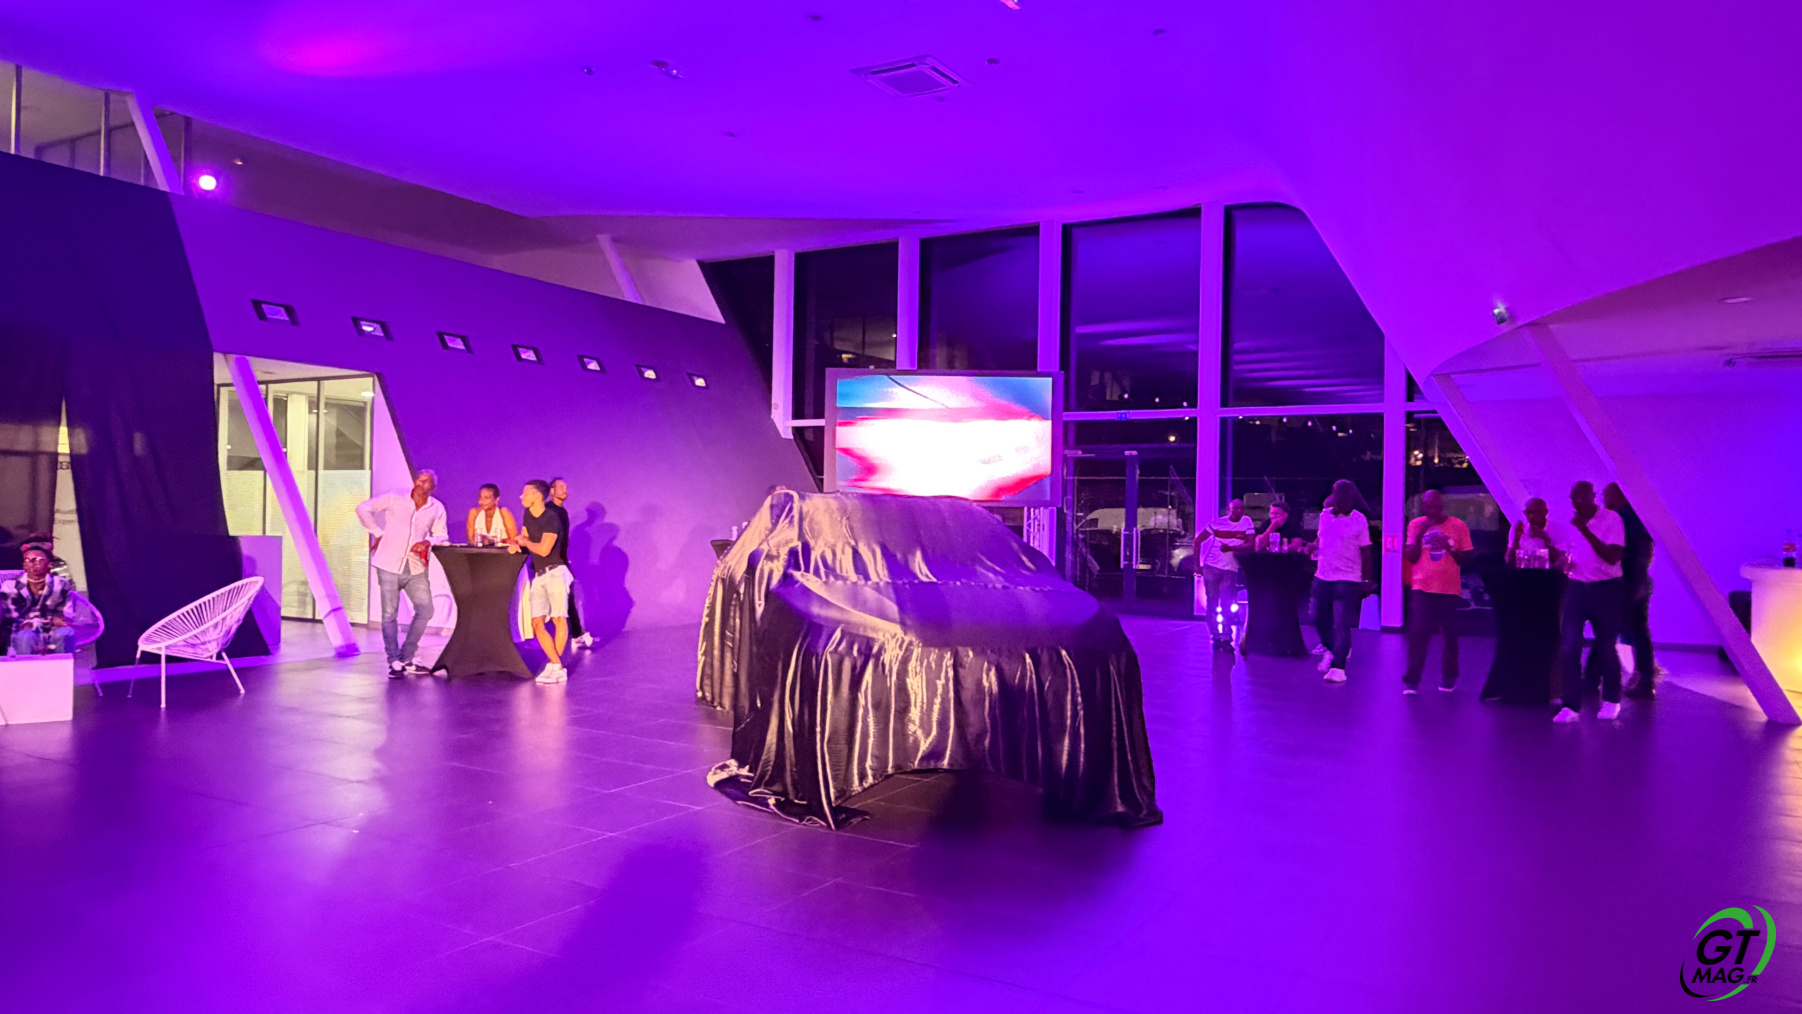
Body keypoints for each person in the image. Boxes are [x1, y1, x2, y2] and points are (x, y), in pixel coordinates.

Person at [356, 469, 449, 678]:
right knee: (389, 614)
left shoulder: (436, 508)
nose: (421, 483)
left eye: (427, 481)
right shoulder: (395, 497)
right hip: (388, 564)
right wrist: (378, 533)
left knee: (425, 610)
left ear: (432, 487)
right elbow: (363, 508)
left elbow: (442, 535)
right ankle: (394, 661)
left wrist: (428, 541)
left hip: (415, 567)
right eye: (419, 479)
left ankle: (407, 656)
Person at [1550, 480, 1627, 724]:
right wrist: (1564, 561)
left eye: (1583, 499)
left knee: (1605, 646)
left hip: (1606, 589)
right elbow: (1568, 551)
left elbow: (1612, 557)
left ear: (1593, 497)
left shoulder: (1611, 519)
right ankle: (1570, 704)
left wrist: (1585, 530)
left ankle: (1611, 700)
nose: (1578, 504)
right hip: (1577, 587)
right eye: (1574, 500)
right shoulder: (1572, 523)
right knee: (1570, 646)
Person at [1402, 491, 1475, 694]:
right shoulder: (1416, 524)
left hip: (1448, 588)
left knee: (1450, 634)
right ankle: (1412, 680)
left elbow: (1467, 559)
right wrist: (1420, 534)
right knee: (1418, 633)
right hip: (1422, 586)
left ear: (1442, 507)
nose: (1432, 511)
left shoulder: (1458, 526)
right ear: (1423, 508)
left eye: (1435, 507)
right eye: (1428, 507)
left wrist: (1449, 547)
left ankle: (1448, 677)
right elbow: (1411, 557)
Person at [1310, 480, 1376, 683]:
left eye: (1343, 495)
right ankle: (1333, 649)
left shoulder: (1359, 520)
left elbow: (1366, 551)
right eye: (1336, 494)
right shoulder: (1325, 516)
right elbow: (1323, 537)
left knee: (1341, 622)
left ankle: (1339, 667)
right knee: (1316, 616)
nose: (1339, 499)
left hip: (1348, 578)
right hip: (1323, 574)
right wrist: (1313, 546)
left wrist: (1367, 579)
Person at [510, 479, 571, 684]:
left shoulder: (551, 518)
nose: (521, 497)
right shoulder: (528, 514)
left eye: (526, 493)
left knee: (558, 619)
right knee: (537, 622)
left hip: (555, 572)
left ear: (537, 496)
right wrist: (517, 544)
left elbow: (544, 549)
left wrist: (525, 542)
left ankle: (556, 667)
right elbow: (525, 538)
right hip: (539, 574)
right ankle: (555, 663)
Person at [1605, 482, 1659, 699]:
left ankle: (1638, 677)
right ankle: (1645, 677)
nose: (1603, 501)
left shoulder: (1619, 519)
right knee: (1639, 631)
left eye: (1606, 496)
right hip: (1641, 580)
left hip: (1626, 582)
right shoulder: (1640, 519)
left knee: (1615, 629)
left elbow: (1615, 553)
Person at [1196, 499, 1257, 650]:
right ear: (1229, 510)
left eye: (1241, 508)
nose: (1238, 511)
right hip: (1211, 567)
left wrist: (1232, 548)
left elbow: (1250, 544)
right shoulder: (1219, 523)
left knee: (1226, 603)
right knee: (1212, 602)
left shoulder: (1247, 522)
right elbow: (1198, 540)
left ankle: (1226, 636)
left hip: (1230, 569)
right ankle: (1216, 634)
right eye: (1235, 509)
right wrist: (1196, 565)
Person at [2, 544, 77, 655]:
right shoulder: (10, 586)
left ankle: (60, 665)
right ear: (24, 565)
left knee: (65, 633)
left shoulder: (61, 584)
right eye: (28, 560)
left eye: (38, 560)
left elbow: (65, 616)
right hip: (21, 630)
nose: (33, 563)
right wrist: (37, 622)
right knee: (25, 636)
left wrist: (50, 622)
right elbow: (11, 616)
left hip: (52, 630)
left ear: (49, 564)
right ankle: (26, 665)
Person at [548, 478, 594, 649]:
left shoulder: (562, 511)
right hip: (551, 562)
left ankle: (576, 633)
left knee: (568, 596)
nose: (564, 490)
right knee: (558, 599)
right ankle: (572, 635)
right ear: (552, 491)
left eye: (565, 487)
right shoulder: (549, 511)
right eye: (559, 487)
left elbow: (563, 539)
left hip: (561, 560)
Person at [1506, 497, 1567, 569]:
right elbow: (1509, 561)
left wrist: (1545, 539)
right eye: (1529, 512)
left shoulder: (1558, 529)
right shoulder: (1518, 529)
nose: (1532, 516)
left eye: (1537, 512)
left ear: (1545, 512)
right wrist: (1517, 539)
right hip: (1524, 573)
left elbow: (1560, 560)